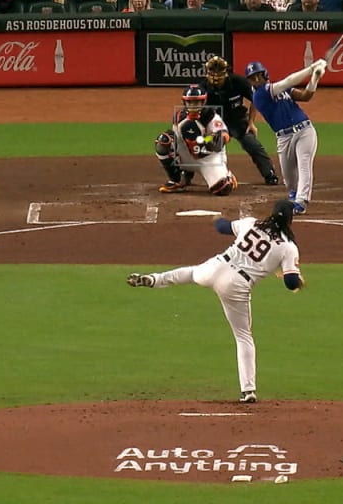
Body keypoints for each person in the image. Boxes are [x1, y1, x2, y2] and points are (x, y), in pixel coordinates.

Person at [126, 198, 304, 404]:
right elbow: (290, 282)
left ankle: (155, 279)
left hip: (216, 267)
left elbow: (223, 228)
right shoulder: (289, 247)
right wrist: (299, 282)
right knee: (243, 337)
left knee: (192, 273)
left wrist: (217, 218)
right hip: (236, 285)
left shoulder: (252, 223)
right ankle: (248, 390)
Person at [245, 58, 325, 215]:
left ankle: (301, 201)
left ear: (264, 74)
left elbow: (305, 96)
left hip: (305, 130)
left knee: (304, 165)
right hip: (283, 137)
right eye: (252, 77)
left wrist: (315, 77)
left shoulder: (277, 89)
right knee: (288, 176)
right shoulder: (260, 95)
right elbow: (288, 81)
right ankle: (294, 193)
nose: (256, 79)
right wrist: (311, 69)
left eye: (258, 75)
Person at [200, 56, 279, 185]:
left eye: (219, 74)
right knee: (201, 143)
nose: (215, 78)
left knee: (252, 144)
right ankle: (186, 176)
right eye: (212, 73)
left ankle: (269, 174)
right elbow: (197, 111)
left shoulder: (238, 82)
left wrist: (251, 122)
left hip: (237, 122)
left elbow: (256, 98)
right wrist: (203, 131)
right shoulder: (202, 88)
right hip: (215, 127)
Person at [154, 85, 239, 195]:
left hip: (209, 158)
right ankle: (177, 179)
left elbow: (224, 135)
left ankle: (227, 176)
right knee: (163, 141)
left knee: (222, 189)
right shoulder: (179, 117)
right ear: (185, 103)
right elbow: (177, 139)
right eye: (190, 102)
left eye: (197, 102)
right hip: (189, 154)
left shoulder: (211, 116)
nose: (193, 106)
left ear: (203, 102)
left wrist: (213, 139)